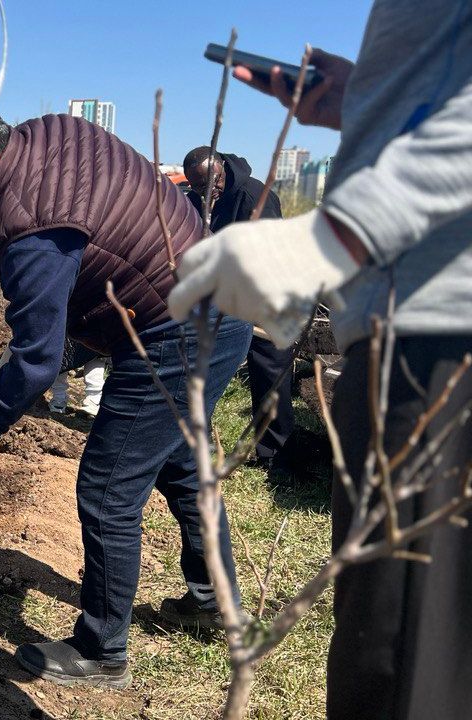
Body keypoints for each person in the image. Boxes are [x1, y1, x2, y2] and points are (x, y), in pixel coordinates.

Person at [168, 7, 472, 717]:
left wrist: (336, 235)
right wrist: (368, 98)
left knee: (404, 668)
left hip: (441, 346)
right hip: (413, 329)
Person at [0, 97, 249, 688]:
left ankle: (101, 650)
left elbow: (37, 360)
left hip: (176, 333)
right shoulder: (47, 136)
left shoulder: (29, 218)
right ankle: (213, 600)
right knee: (180, 470)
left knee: (108, 488)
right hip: (212, 307)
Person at [182, 147, 293, 470]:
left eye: (210, 184)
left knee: (269, 372)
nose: (207, 192)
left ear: (222, 170)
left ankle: (277, 457)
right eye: (198, 187)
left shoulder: (254, 196)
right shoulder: (201, 198)